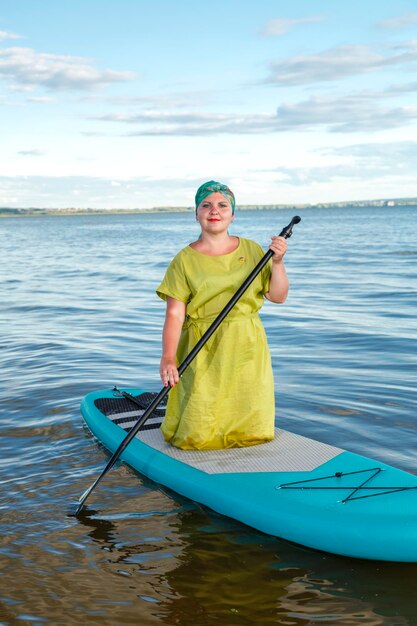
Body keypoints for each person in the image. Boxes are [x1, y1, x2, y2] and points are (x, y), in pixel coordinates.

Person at [156, 180, 288, 450]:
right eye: (206, 205)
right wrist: (168, 357)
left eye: (222, 205)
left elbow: (278, 296)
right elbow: (174, 315)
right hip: (201, 343)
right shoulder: (183, 260)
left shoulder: (252, 250)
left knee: (247, 406)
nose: (214, 210)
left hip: (246, 340)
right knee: (199, 420)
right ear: (196, 214)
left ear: (232, 214)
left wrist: (277, 262)